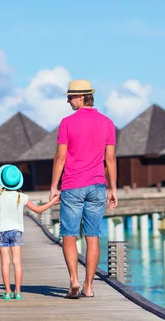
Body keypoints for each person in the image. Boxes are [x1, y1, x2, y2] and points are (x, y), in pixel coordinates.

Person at [49, 79, 118, 299]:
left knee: (69, 235)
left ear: (81, 97)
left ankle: (74, 280)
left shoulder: (67, 123)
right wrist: (113, 188)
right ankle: (89, 286)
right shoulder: (107, 123)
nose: (68, 100)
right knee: (92, 236)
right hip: (97, 186)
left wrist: (53, 186)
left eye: (70, 97)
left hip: (72, 186)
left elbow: (60, 157)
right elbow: (111, 159)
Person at [0, 164, 60, 300]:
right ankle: (17, 291)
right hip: (16, 232)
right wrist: (52, 202)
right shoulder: (22, 197)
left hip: (1, 232)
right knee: (17, 262)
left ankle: (7, 292)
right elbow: (38, 210)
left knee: (5, 263)